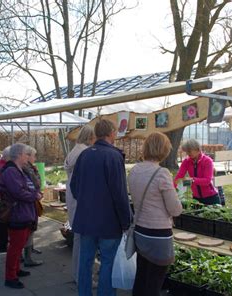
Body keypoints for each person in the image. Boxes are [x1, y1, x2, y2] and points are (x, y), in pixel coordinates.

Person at [70, 119, 131, 296]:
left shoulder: (85, 155)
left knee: (85, 262)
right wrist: (126, 221)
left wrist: (87, 201)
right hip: (108, 223)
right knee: (107, 263)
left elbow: (74, 187)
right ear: (111, 133)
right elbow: (120, 194)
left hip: (86, 220)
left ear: (96, 134)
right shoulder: (114, 156)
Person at [128, 132, 183, 296]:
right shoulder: (162, 173)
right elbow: (175, 209)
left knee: (142, 277)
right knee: (154, 283)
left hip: (139, 231)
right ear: (164, 150)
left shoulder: (134, 170)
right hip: (158, 235)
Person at [0, 143, 41, 289]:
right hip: (17, 214)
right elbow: (18, 192)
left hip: (22, 212)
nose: (27, 156)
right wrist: (35, 195)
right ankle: (10, 277)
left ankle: (16, 270)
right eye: (25, 154)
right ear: (19, 155)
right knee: (15, 247)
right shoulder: (11, 171)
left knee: (18, 244)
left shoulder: (17, 169)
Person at [64, 124, 96, 284]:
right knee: (84, 239)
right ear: (91, 137)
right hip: (80, 198)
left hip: (72, 196)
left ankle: (77, 274)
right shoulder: (85, 152)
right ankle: (83, 277)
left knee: (78, 237)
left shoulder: (74, 150)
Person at [174, 139, 220, 205]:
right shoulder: (186, 162)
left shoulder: (207, 161)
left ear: (197, 149)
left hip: (211, 197)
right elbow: (179, 177)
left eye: (189, 151)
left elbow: (207, 181)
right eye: (186, 151)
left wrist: (192, 180)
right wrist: (172, 189)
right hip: (196, 198)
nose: (188, 153)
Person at [21, 147, 43, 268]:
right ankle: (27, 258)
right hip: (29, 202)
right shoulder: (26, 168)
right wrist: (37, 193)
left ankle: (28, 254)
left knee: (30, 230)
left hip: (32, 199)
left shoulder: (29, 167)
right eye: (33, 156)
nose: (35, 158)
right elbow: (34, 182)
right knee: (29, 229)